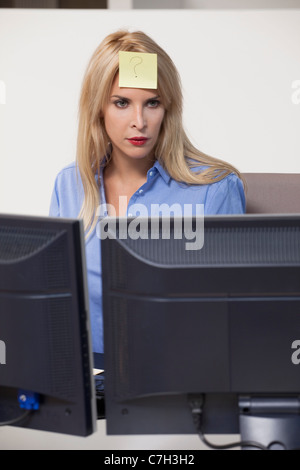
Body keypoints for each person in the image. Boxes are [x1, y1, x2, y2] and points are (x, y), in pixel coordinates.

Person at [49, 30, 245, 354]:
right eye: (122, 103)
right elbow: (53, 302)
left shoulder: (215, 189)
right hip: (90, 381)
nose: (139, 121)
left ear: (168, 108)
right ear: (99, 108)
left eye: (152, 103)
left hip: (181, 383)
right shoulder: (69, 185)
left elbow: (235, 315)